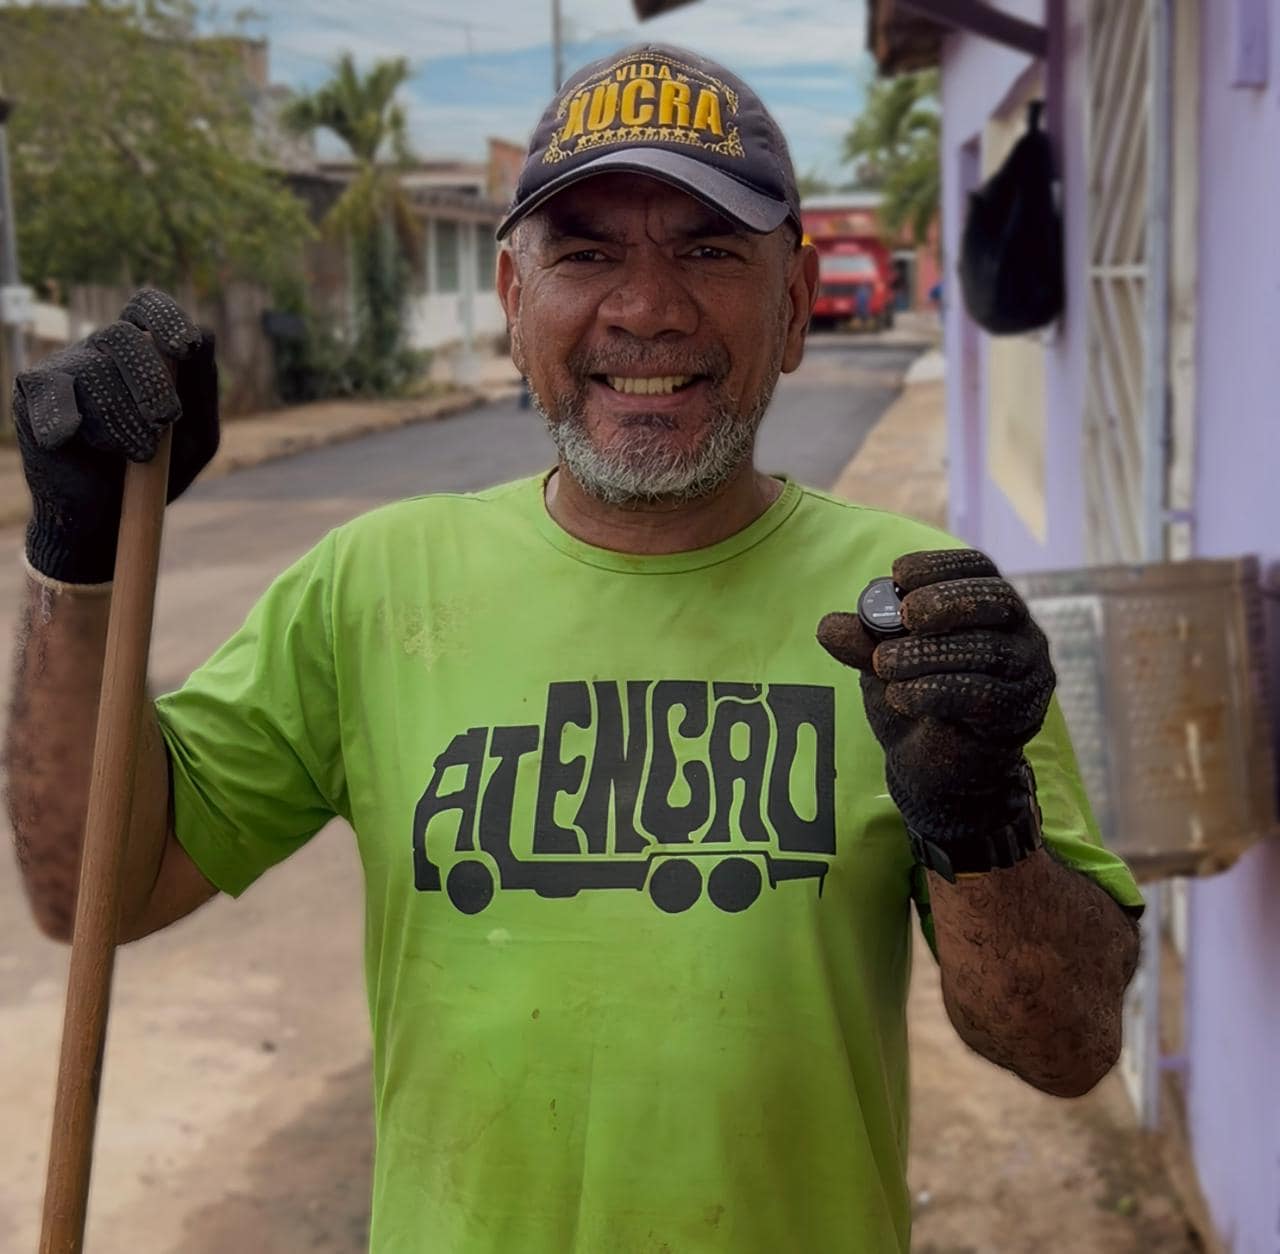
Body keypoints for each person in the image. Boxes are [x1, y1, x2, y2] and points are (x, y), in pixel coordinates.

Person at [7, 43, 1142, 1254]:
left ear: (796, 304)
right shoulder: (370, 585)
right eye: (587, 253)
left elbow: (1066, 1045)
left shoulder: (915, 619)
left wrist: (975, 821)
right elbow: (95, 890)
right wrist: (78, 561)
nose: (646, 308)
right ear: (512, 299)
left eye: (708, 250)